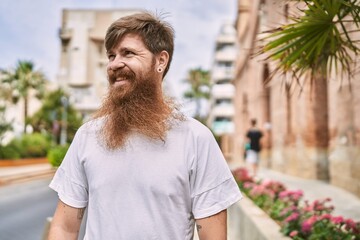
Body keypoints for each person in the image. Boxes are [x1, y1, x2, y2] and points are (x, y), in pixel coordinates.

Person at [48, 11, 242, 240]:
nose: (114, 64)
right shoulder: (87, 136)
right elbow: (64, 227)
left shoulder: (196, 138)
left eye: (127, 53)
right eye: (111, 56)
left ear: (161, 61)